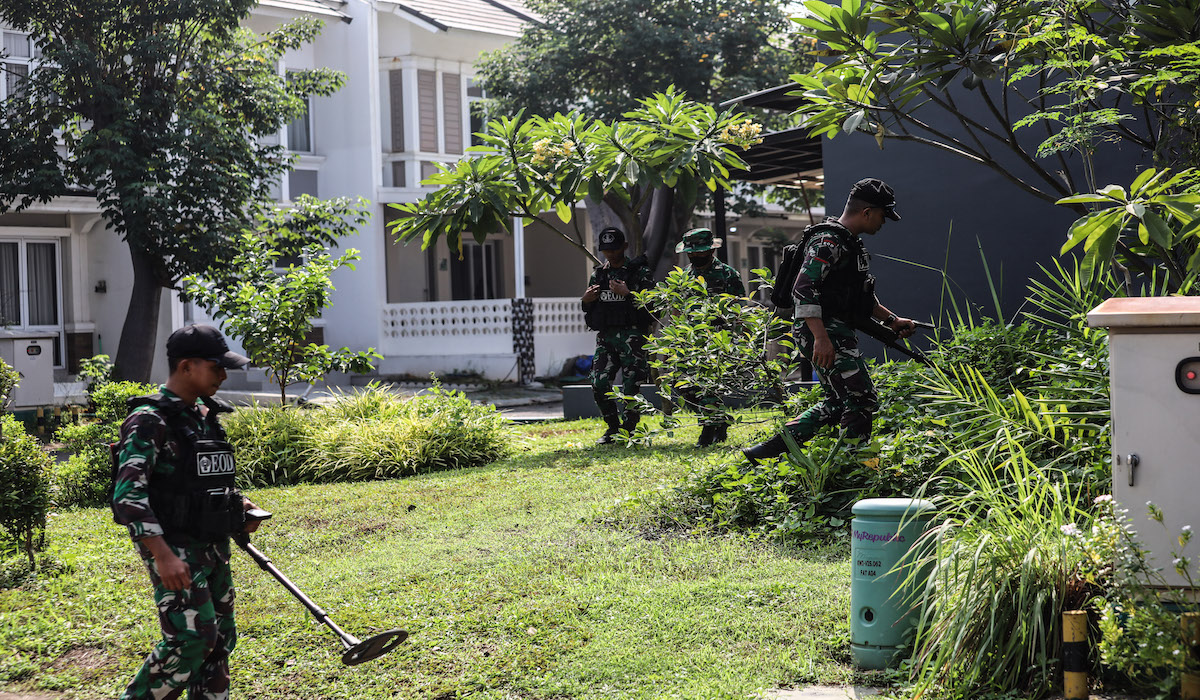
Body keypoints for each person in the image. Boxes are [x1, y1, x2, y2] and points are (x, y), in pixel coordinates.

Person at [113, 324, 264, 700]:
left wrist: (239, 504)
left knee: (218, 641)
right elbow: (128, 495)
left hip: (212, 547)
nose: (223, 375)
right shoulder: (150, 419)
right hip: (175, 549)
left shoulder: (204, 417)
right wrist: (162, 556)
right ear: (186, 366)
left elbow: (205, 479)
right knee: (191, 640)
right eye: (216, 367)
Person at [743, 178, 916, 463]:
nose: (883, 223)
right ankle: (854, 464)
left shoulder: (849, 243)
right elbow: (803, 288)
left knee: (838, 402)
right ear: (867, 211)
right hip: (822, 330)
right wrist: (821, 338)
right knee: (861, 399)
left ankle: (767, 451)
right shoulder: (829, 242)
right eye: (883, 216)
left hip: (829, 328)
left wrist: (892, 320)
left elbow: (858, 297)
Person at [582, 226, 655, 444]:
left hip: (633, 337)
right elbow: (591, 309)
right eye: (606, 250)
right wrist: (585, 300)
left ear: (624, 247)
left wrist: (628, 294)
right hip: (607, 338)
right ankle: (612, 427)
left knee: (632, 385)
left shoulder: (639, 273)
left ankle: (629, 428)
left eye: (614, 249)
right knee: (599, 382)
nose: (611, 254)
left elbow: (652, 307)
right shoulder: (599, 274)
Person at [673, 227, 745, 446]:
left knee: (710, 386)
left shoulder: (728, 274)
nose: (694, 255)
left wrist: (737, 341)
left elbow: (737, 310)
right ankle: (719, 420)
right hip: (689, 339)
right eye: (691, 252)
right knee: (685, 388)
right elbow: (677, 309)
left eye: (699, 251)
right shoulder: (683, 276)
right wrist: (675, 338)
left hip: (717, 338)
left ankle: (707, 432)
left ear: (711, 251)